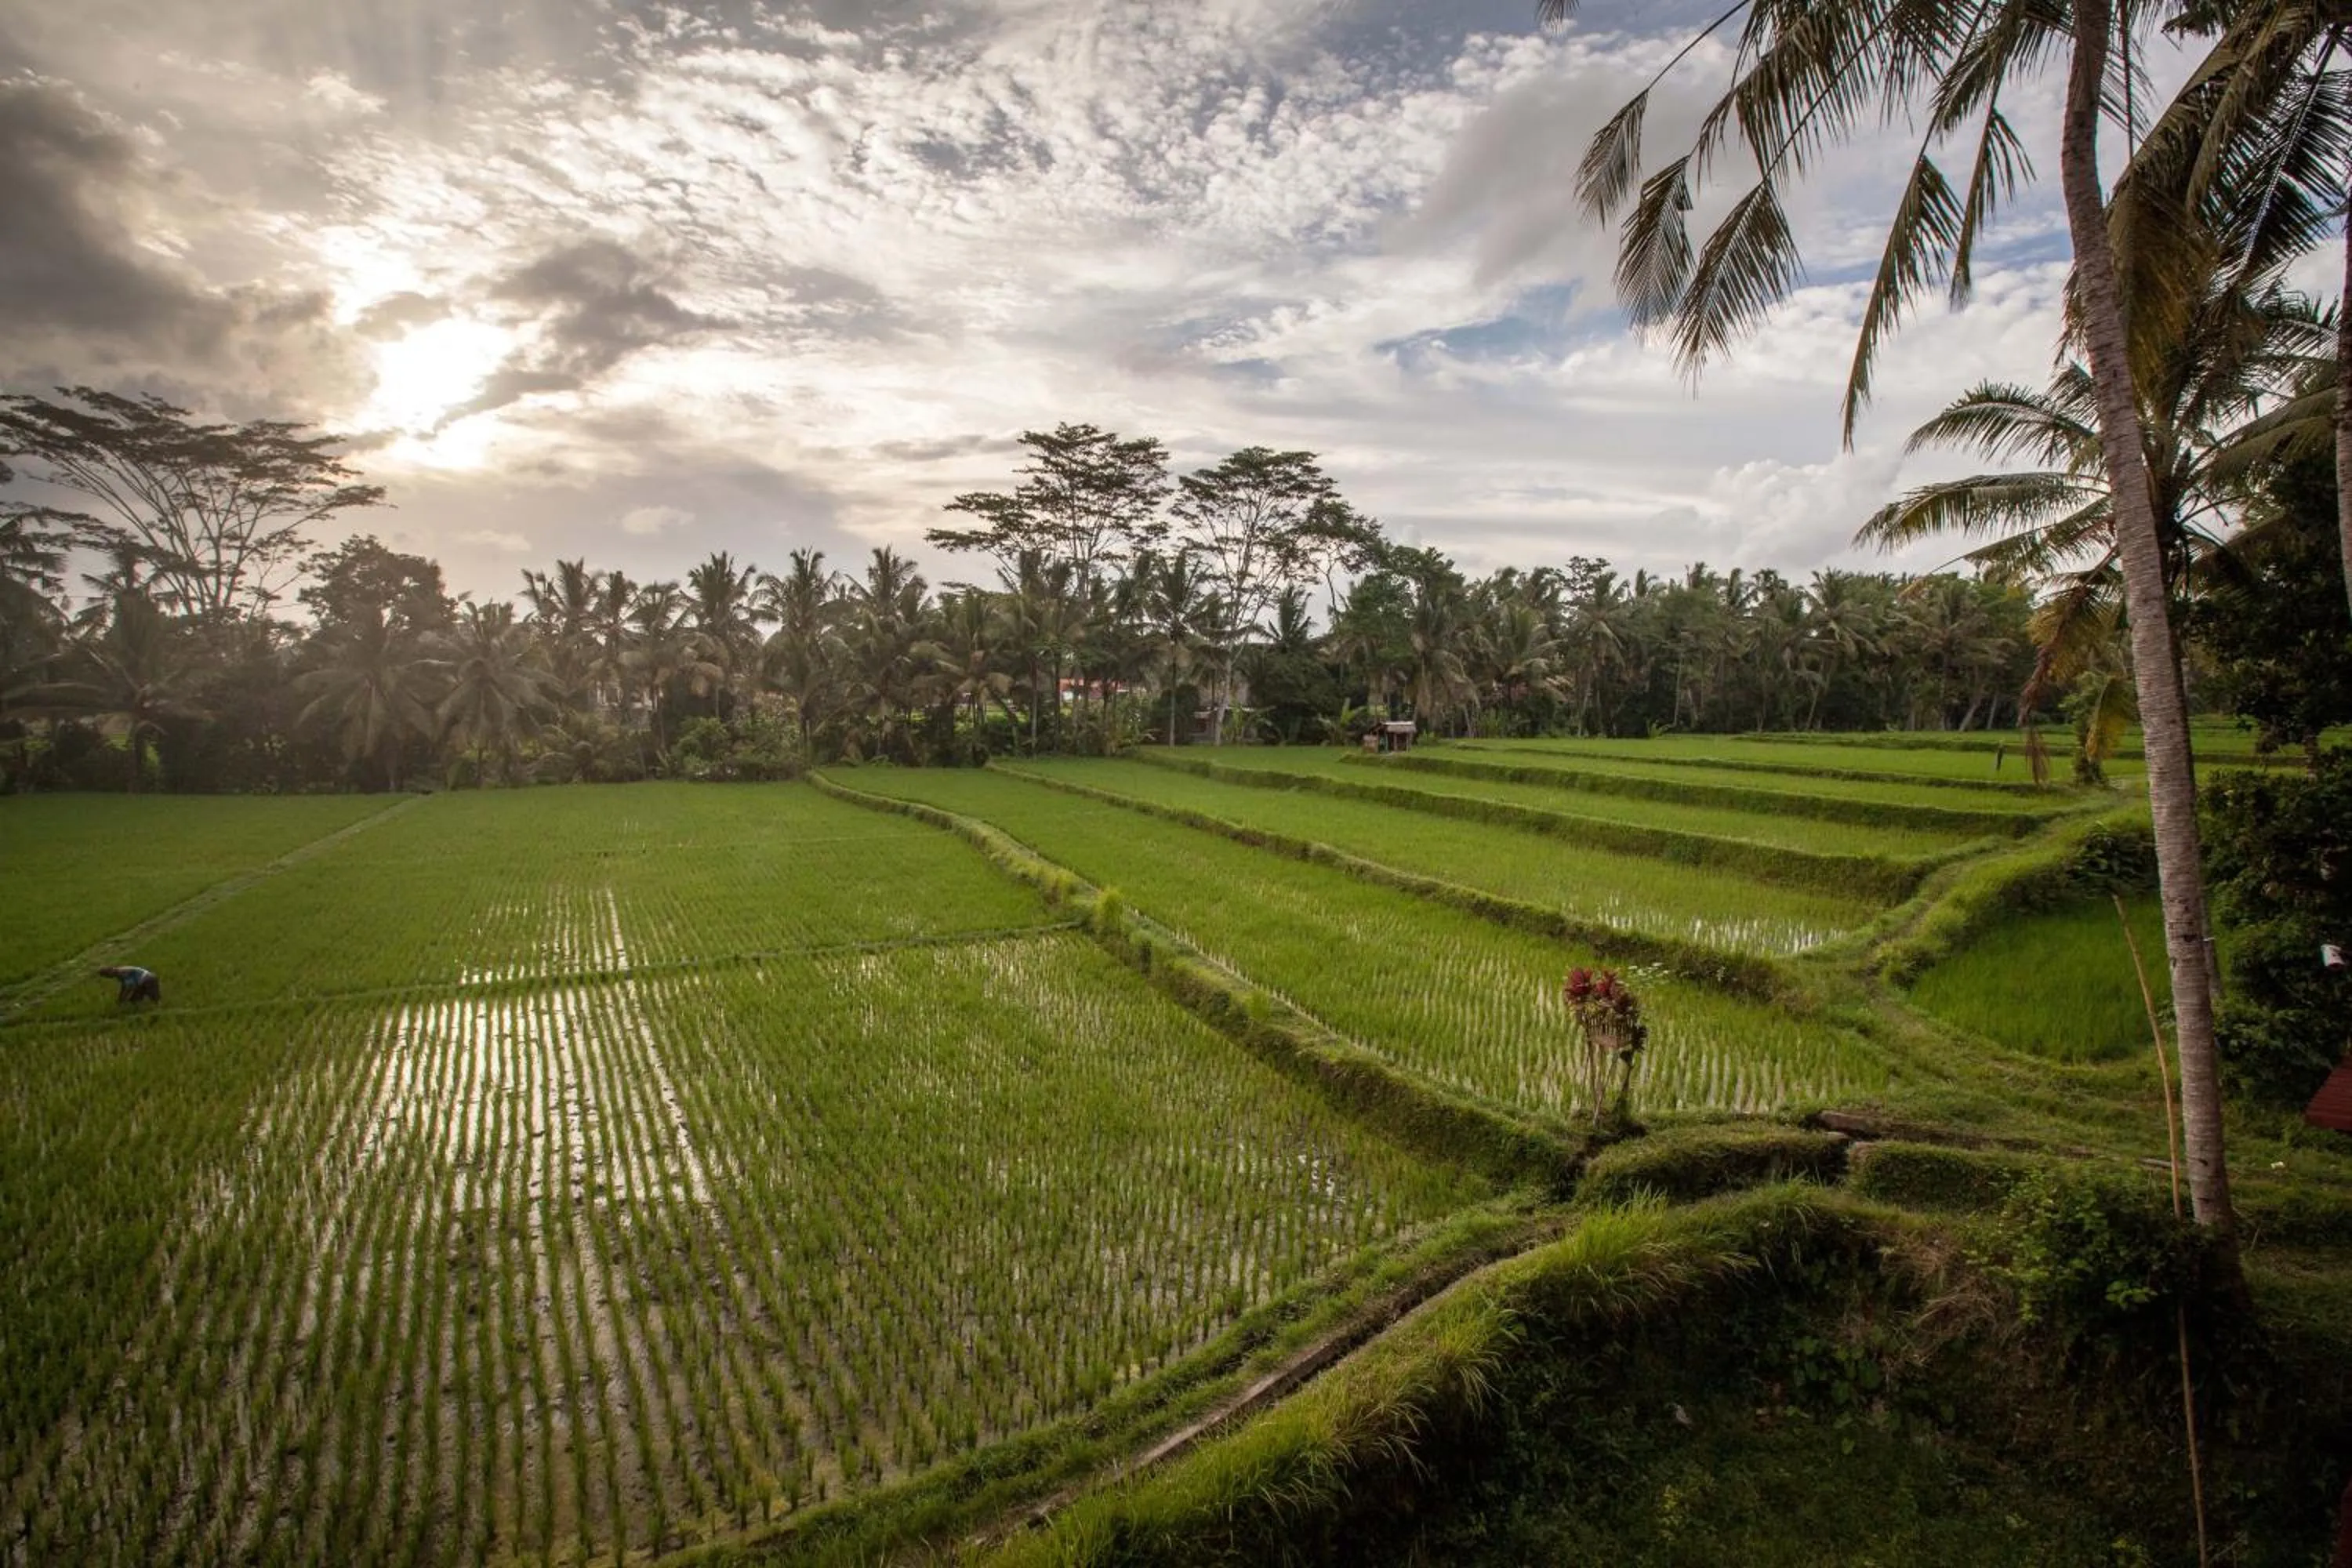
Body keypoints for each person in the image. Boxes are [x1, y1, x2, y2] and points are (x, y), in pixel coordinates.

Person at [97, 964, 161, 1005]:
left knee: (154, 998)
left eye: (107, 975)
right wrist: (121, 998)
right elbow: (124, 986)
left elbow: (130, 985)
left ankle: (158, 1010)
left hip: (148, 980)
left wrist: (123, 997)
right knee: (134, 1000)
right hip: (144, 981)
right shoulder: (119, 973)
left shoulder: (121, 972)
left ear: (110, 972)